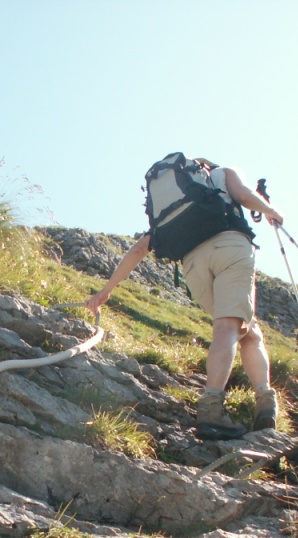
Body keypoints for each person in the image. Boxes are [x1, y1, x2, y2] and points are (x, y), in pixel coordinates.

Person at [84, 158, 283, 440]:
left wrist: (107, 289)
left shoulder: (177, 202)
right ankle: (212, 410)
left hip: (193, 265)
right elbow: (245, 196)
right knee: (229, 326)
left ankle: (265, 406)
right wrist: (271, 210)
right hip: (230, 247)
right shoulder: (223, 173)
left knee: (248, 331)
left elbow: (140, 248)